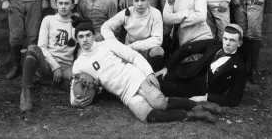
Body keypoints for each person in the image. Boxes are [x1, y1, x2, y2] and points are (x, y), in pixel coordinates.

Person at [71, 18, 224, 123]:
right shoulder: (79, 64)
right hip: (125, 94)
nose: (85, 39)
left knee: (159, 103)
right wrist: (75, 101)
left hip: (135, 77)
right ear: (77, 39)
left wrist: (149, 73)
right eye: (81, 36)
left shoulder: (108, 44)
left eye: (88, 35)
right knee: (148, 116)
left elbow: (134, 57)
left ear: (93, 35)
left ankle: (200, 105)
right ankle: (193, 115)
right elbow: (75, 85)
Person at [156, 24, 248, 107]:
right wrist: (166, 67)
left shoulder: (240, 67)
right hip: (186, 72)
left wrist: (206, 97)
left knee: (160, 86)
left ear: (239, 43)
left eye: (232, 40)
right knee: (157, 77)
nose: (227, 43)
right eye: (225, 38)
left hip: (196, 89)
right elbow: (186, 49)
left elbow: (234, 100)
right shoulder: (214, 44)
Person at [20, 0, 78, 112]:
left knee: (79, 87)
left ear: (72, 5)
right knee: (32, 48)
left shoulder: (77, 22)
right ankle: (25, 93)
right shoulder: (49, 19)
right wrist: (55, 67)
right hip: (48, 65)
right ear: (55, 4)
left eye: (67, 3)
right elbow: (42, 46)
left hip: (67, 67)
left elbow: (82, 48)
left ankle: (48, 81)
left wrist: (73, 68)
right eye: (60, 3)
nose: (63, 6)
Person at [101, 0, 164, 71]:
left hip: (146, 49)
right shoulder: (127, 12)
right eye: (136, 1)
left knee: (158, 51)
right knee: (100, 39)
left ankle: (153, 74)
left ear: (148, 0)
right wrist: (114, 42)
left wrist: (134, 46)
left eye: (143, 0)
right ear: (132, 1)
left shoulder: (155, 13)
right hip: (129, 51)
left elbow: (157, 39)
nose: (140, 4)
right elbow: (105, 27)